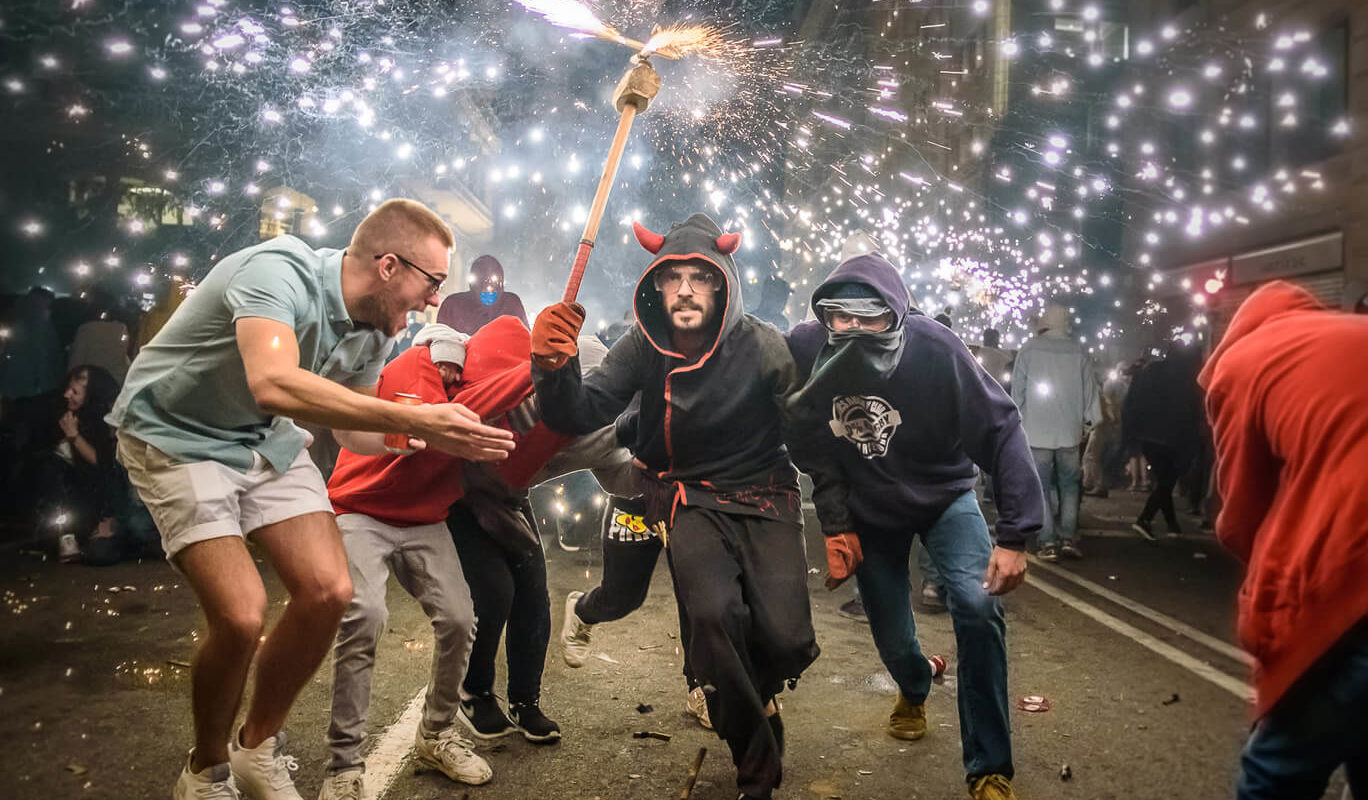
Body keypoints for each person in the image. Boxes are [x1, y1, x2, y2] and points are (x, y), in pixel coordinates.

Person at [107, 198, 515, 800]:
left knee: (330, 592)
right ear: (388, 266)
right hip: (177, 438)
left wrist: (432, 436)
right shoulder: (278, 271)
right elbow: (271, 382)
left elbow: (353, 432)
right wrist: (423, 419)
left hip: (265, 443)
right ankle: (206, 770)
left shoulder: (375, 332)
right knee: (241, 615)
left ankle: (255, 748)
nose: (435, 300)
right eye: (432, 282)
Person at [531, 213, 819, 800]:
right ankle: (756, 769)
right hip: (682, 494)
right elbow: (577, 414)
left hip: (764, 493)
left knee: (787, 640)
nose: (685, 289)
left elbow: (811, 439)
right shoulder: (643, 343)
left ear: (723, 284)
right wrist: (551, 368)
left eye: (701, 277)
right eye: (673, 277)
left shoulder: (765, 346)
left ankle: (756, 695)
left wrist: (840, 521)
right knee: (711, 618)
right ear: (656, 287)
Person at [786, 251, 1041, 800]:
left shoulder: (934, 346)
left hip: (945, 495)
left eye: (869, 318)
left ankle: (989, 767)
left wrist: (1017, 534)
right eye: (840, 316)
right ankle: (915, 682)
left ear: (896, 315)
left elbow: (999, 426)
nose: (853, 329)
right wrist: (835, 523)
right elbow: (803, 436)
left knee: (977, 607)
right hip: (868, 507)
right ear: (824, 315)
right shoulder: (807, 346)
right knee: (890, 630)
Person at [1199, 280, 1368, 799]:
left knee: (1279, 770)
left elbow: (1243, 511)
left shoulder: (1243, 362)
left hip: (1351, 578)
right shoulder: (1347, 334)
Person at [318, 323, 492, 800]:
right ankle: (343, 764)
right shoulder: (397, 370)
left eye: (457, 365)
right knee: (364, 616)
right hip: (359, 510)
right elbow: (356, 422)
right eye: (442, 363)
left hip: (424, 520)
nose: (449, 371)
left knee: (460, 619)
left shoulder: (481, 393)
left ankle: (436, 734)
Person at [1011, 304, 1099, 561]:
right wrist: (1089, 421)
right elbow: (1090, 391)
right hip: (1070, 432)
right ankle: (1068, 537)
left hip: (1036, 431)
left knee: (1041, 485)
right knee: (1070, 485)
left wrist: (1016, 420)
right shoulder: (1078, 351)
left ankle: (1047, 540)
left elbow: (1018, 392)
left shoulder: (1029, 349)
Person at [1122, 340, 1203, 540]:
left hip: (1149, 436)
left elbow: (1134, 399)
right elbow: (1190, 410)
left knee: (1163, 480)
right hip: (1173, 437)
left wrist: (1133, 429)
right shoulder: (1189, 377)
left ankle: (1172, 524)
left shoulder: (1152, 371)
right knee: (1167, 480)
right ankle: (1145, 519)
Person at [436, 254, 528, 335]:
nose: (488, 287)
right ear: (473, 283)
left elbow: (527, 342)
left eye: (494, 281)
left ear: (501, 281)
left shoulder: (511, 304)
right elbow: (440, 343)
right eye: (482, 280)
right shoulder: (454, 305)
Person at [69, 287, 133, 384]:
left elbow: (76, 360)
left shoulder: (86, 329)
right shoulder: (122, 328)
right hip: (115, 381)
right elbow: (123, 355)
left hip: (90, 382)